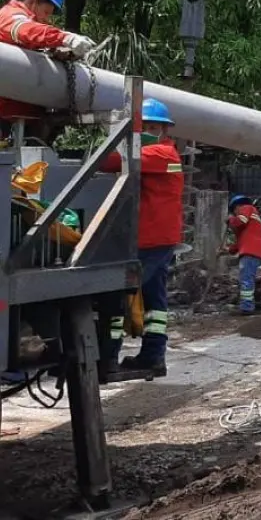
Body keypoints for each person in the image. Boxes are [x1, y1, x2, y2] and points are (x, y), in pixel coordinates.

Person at [98, 97, 183, 379]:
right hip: (156, 239)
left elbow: (109, 160)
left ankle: (107, 355)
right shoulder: (162, 154)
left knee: (117, 293)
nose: (144, 131)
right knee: (154, 300)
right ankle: (153, 357)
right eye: (141, 126)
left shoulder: (161, 154)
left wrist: (116, 138)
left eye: (148, 126)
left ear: (162, 130)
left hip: (150, 240)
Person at [0, 0, 96, 138]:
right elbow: (27, 31)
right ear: (32, 2)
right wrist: (65, 38)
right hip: (6, 114)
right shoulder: (10, 16)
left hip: (21, 114)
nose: (46, 19)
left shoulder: (27, 22)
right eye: (46, 12)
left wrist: (57, 51)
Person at [226, 194, 261, 315]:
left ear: (237, 206)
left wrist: (230, 220)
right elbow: (238, 243)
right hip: (252, 251)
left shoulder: (247, 208)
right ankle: (247, 304)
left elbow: (240, 221)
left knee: (246, 279)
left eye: (234, 211)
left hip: (250, 252)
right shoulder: (247, 226)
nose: (235, 214)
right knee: (247, 278)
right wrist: (226, 250)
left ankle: (247, 307)